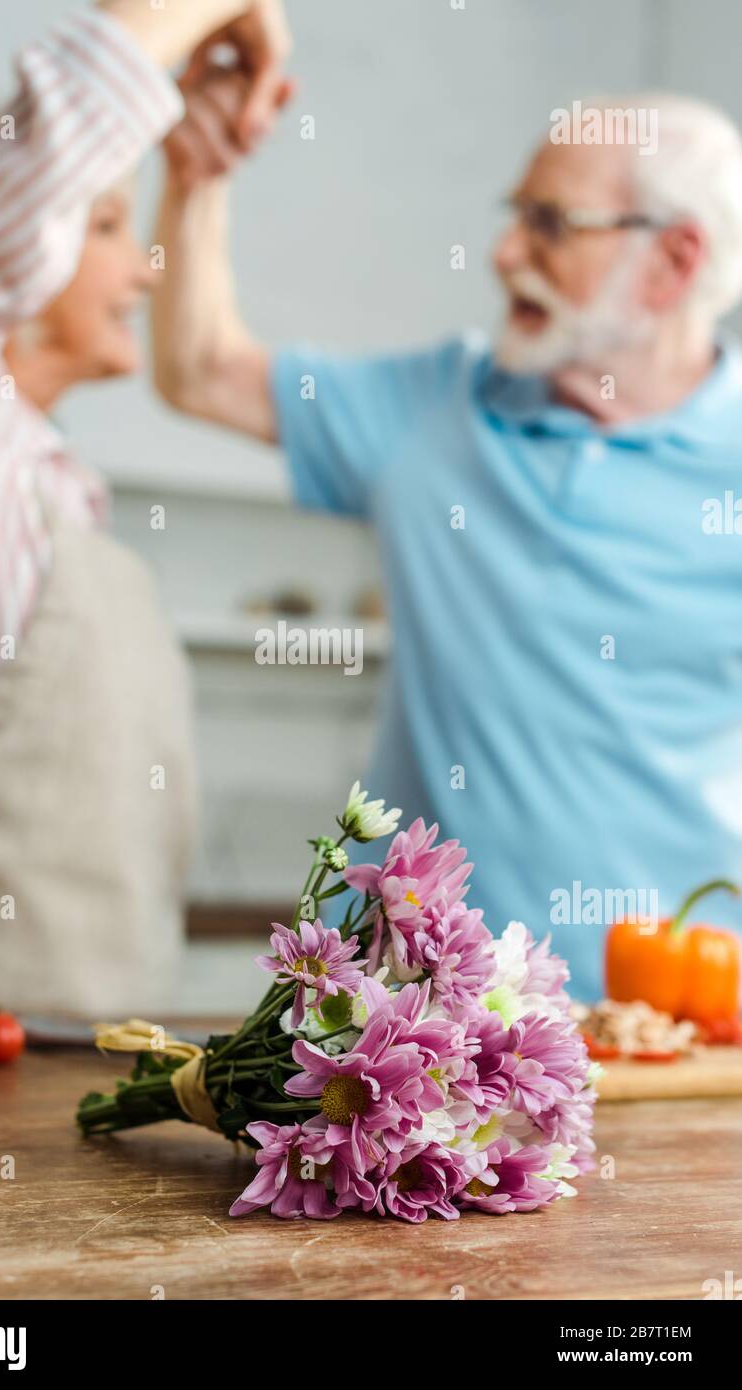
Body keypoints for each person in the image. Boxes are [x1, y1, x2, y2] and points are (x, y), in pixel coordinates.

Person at [154, 71, 742, 1000]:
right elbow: (199, 371)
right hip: (403, 1023)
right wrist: (197, 174)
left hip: (674, 1022)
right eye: (515, 216)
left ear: (673, 262)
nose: (505, 253)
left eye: (552, 224)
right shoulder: (434, 407)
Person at [0, 0, 292, 1015]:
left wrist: (195, 180)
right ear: (4, 244)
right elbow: (13, 178)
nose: (142, 273)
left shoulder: (46, 481)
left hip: (74, 1096)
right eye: (106, 225)